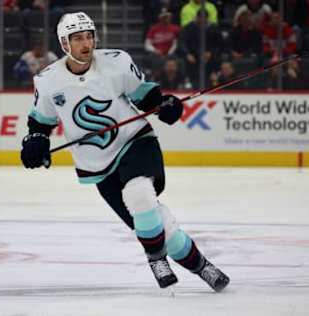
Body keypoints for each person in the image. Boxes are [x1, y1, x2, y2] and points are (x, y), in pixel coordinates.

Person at [20, 12, 230, 291]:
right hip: (96, 165)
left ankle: (155, 258)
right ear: (64, 44)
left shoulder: (116, 62)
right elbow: (40, 122)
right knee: (163, 229)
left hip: (135, 142)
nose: (86, 44)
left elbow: (144, 95)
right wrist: (35, 141)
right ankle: (203, 267)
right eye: (78, 38)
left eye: (89, 36)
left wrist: (164, 105)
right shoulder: (48, 80)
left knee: (138, 193)